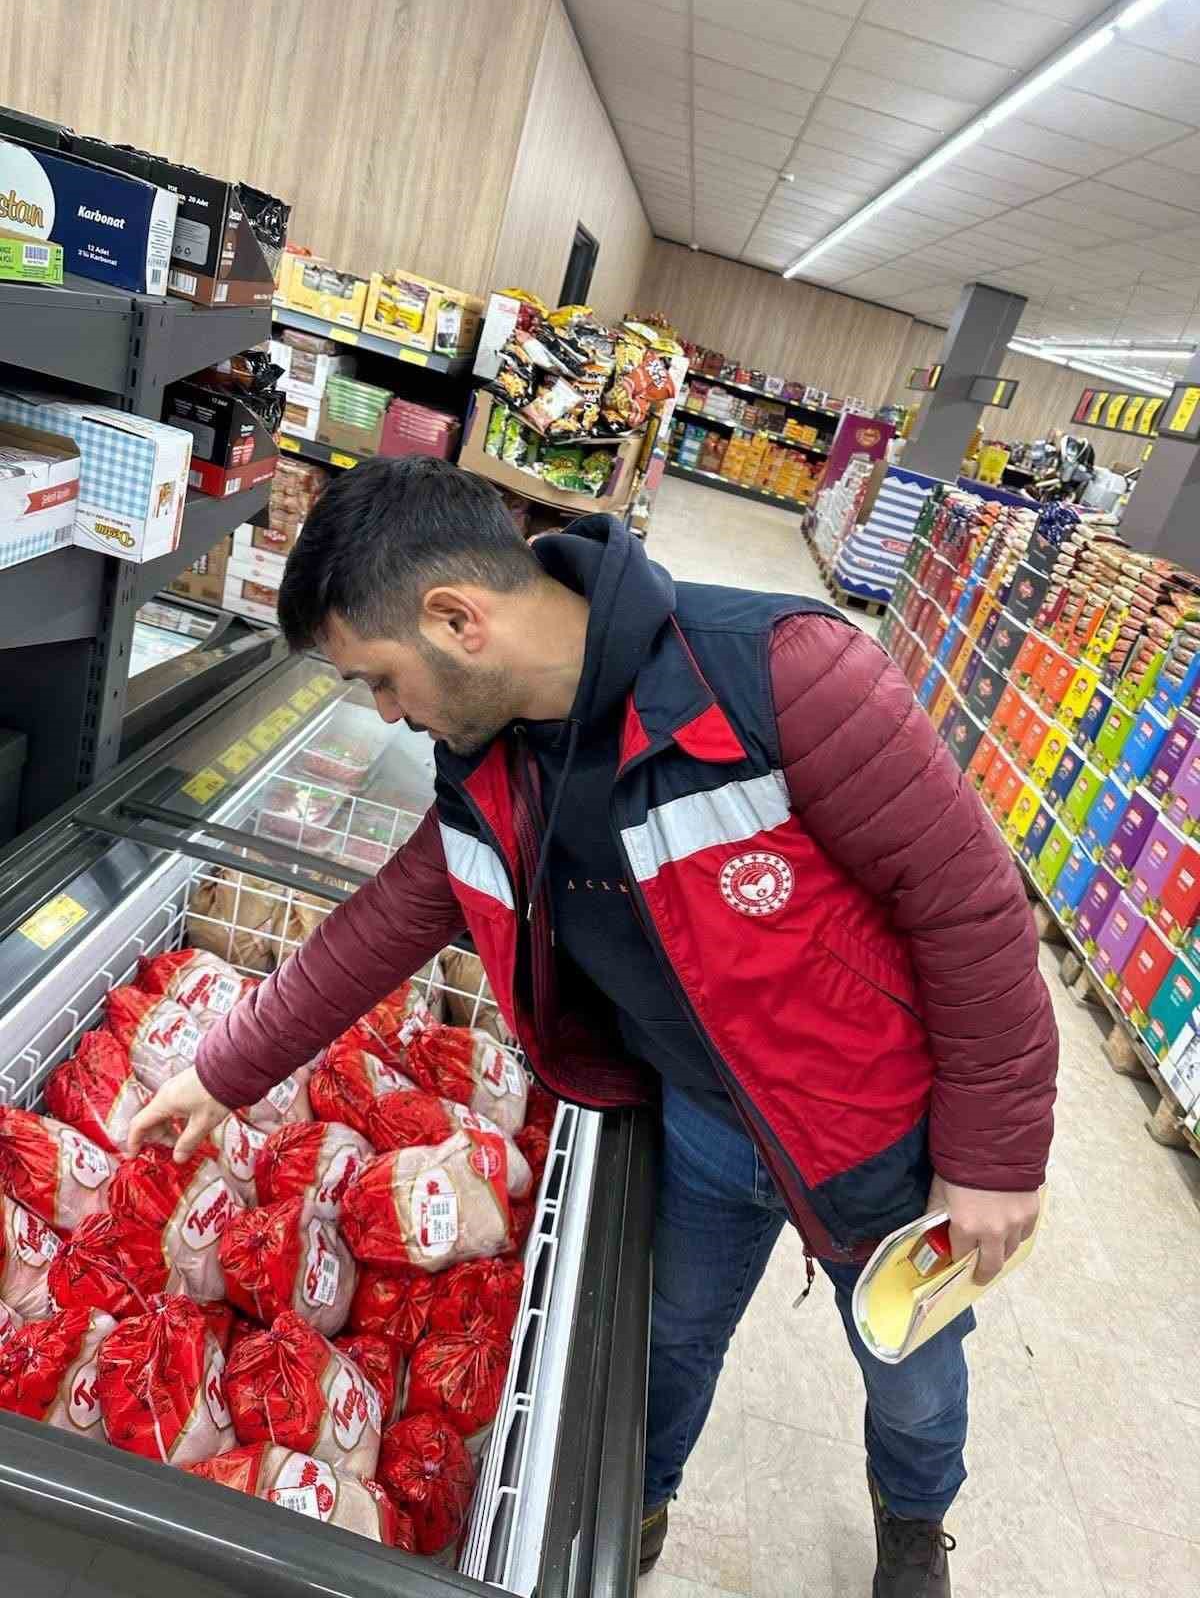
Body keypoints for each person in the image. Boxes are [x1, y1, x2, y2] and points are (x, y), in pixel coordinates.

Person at [130, 457, 1056, 1597]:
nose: (387, 712)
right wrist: (222, 1071)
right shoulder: (493, 766)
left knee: (909, 1368)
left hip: (873, 1130)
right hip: (700, 1124)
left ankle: (914, 1516)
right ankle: (640, 1502)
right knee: (670, 1341)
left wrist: (993, 1157)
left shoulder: (783, 675)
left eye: (381, 678)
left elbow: (970, 909)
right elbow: (383, 925)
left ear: (456, 619)